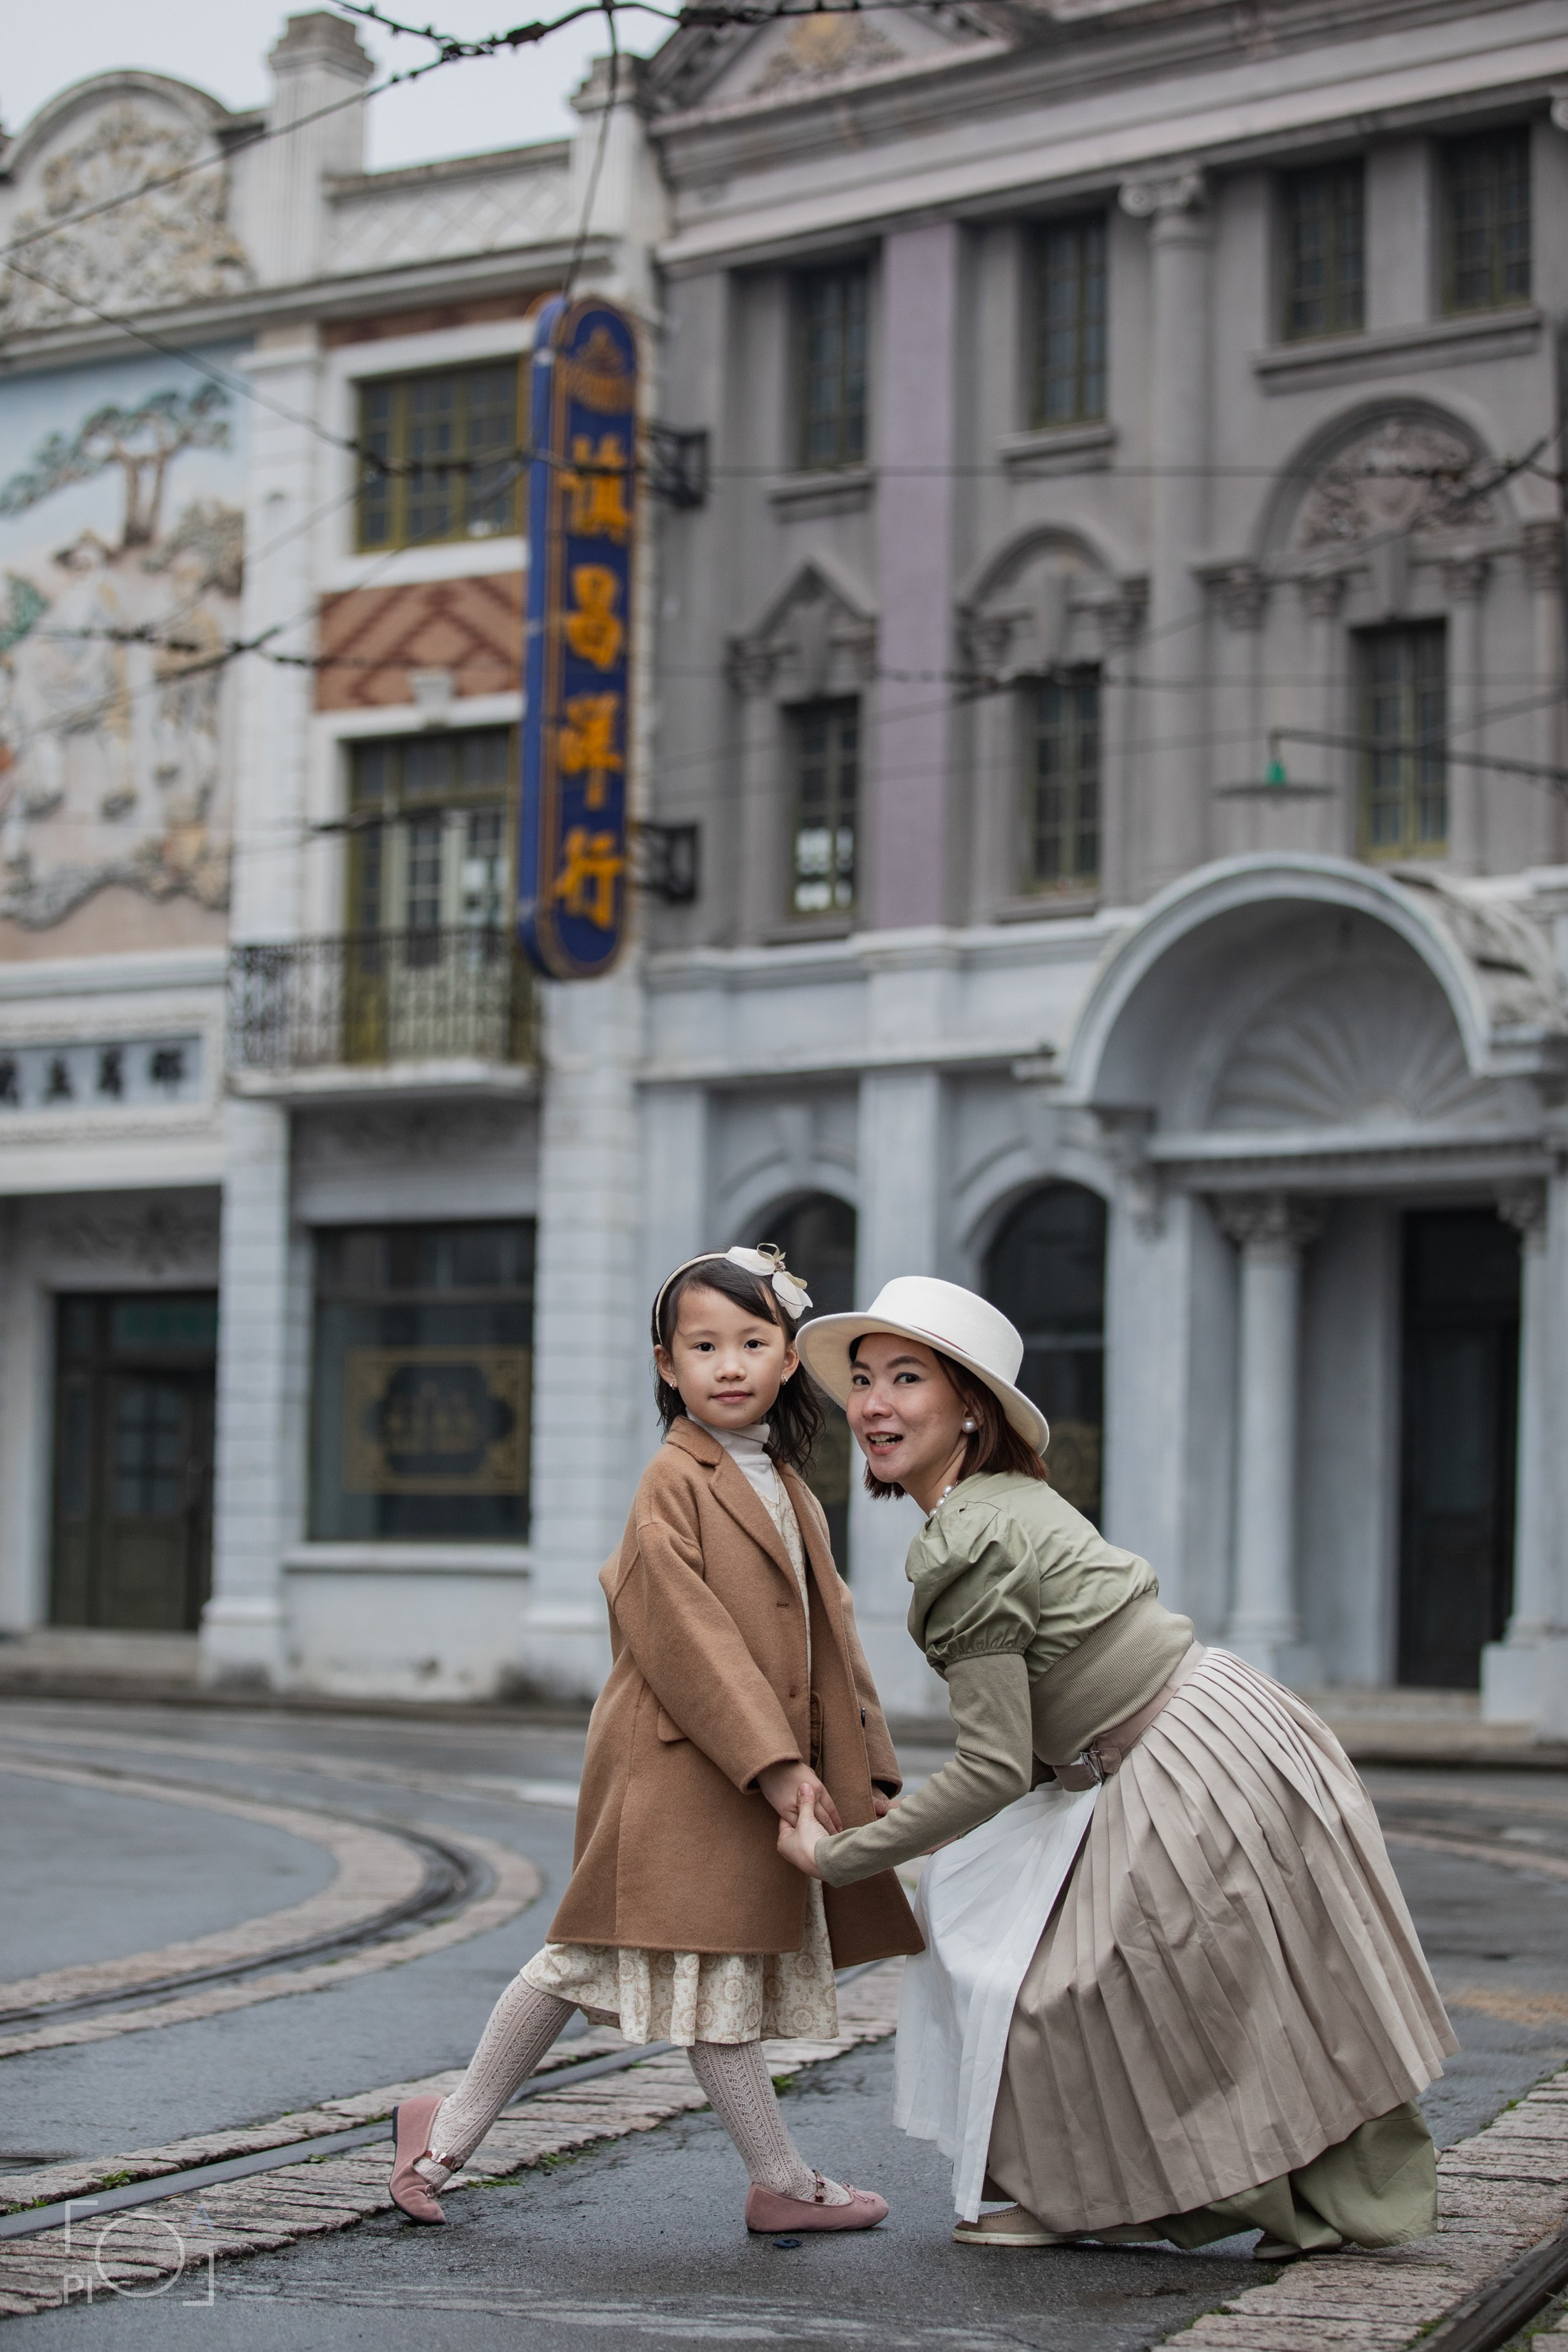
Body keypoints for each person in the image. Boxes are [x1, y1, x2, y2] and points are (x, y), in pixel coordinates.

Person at [778, 1275, 1455, 2261]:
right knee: (1248, 1982)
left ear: (969, 1404)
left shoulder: (970, 1536)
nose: (874, 1405)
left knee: (1093, 1987)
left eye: (907, 1379)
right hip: (1210, 1730)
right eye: (866, 1382)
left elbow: (994, 1767)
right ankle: (1258, 2197)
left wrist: (843, 1855)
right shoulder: (1001, 1499)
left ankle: (1129, 2196)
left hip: (1174, 1755)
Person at [388, 1244, 921, 2235]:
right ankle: (459, 2134)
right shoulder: (670, 1481)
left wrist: (870, 1761)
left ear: (789, 1358)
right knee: (615, 1958)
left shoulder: (790, 1483)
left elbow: (833, 1630)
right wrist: (777, 1767)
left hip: (743, 1773)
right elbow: (688, 1638)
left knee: (669, 1966)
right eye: (704, 1345)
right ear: (667, 1366)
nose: (729, 1364)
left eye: (753, 1342)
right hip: (678, 1772)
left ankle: (456, 2133)